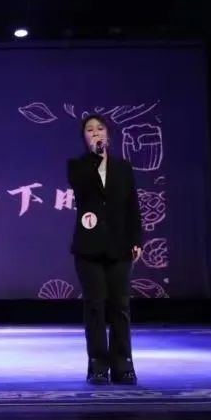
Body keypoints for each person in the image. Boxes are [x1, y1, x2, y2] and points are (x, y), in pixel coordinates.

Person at [67, 114, 143, 385]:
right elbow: (81, 190)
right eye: (90, 130)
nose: (96, 133)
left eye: (100, 129)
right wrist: (95, 157)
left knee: (120, 307)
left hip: (120, 246)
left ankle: (123, 365)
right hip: (88, 248)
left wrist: (137, 239)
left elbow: (132, 205)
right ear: (84, 137)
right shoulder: (77, 166)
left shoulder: (123, 167)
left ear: (109, 135)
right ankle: (98, 366)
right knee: (95, 307)